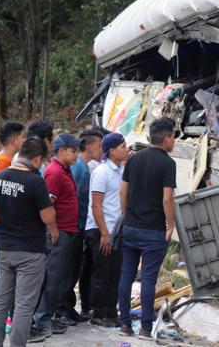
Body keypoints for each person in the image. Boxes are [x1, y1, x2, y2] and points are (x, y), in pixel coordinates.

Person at [0, 138, 58, 347]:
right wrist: (51, 219)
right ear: (37, 159)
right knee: (24, 306)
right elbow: (47, 217)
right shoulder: (35, 182)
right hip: (30, 251)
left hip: (5, 249)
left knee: (0, 303)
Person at [118, 119, 177, 338]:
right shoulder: (168, 164)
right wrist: (170, 225)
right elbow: (167, 199)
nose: (174, 141)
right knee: (149, 279)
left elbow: (123, 191)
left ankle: (124, 324)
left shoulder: (133, 159)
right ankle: (145, 327)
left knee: (126, 274)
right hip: (153, 230)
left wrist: (127, 216)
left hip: (131, 227)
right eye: (173, 137)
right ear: (167, 138)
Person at [32, 133, 80, 334]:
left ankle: (48, 315)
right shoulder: (54, 172)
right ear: (61, 151)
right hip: (58, 232)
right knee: (52, 278)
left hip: (67, 230)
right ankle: (42, 318)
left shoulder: (65, 170)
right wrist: (53, 231)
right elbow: (47, 205)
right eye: (73, 151)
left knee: (60, 278)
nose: (77, 154)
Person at [58, 129, 103, 323]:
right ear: (90, 146)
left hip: (80, 225)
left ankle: (69, 308)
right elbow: (73, 200)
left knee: (75, 269)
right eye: (99, 145)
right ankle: (62, 310)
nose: (101, 149)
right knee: (67, 270)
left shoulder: (83, 167)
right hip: (73, 226)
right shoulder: (78, 169)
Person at [0, 121, 26, 315]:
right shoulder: (4, 162)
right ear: (14, 140)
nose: (25, 140)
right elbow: (0, 194)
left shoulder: (5, 159)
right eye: (23, 136)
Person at [86, 133, 127, 327]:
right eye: (123, 147)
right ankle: (99, 313)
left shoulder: (121, 171)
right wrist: (104, 233)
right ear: (111, 151)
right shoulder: (102, 172)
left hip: (116, 230)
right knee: (102, 273)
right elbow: (96, 205)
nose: (126, 150)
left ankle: (111, 312)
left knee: (114, 273)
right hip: (101, 230)